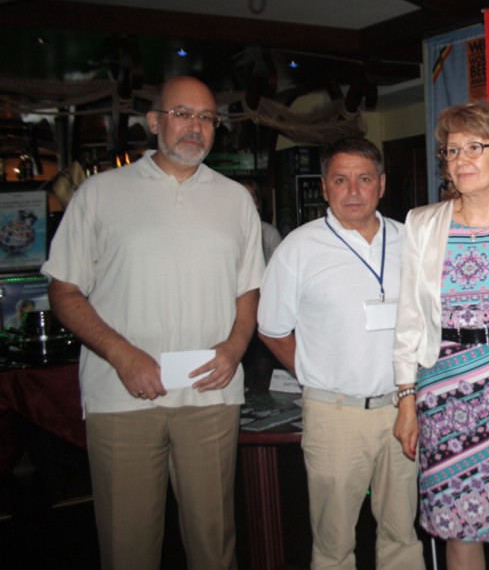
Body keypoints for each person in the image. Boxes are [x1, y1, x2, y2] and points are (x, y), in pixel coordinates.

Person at [42, 75, 264, 570]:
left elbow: (248, 289)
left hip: (210, 394)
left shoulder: (236, 200)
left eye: (206, 118)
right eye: (183, 114)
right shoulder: (100, 193)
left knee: (214, 545)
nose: (195, 127)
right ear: (153, 121)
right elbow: (64, 291)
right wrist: (123, 356)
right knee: (128, 547)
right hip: (123, 396)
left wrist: (234, 347)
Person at [392, 101, 489, 570]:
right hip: (444, 390)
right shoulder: (422, 223)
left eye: (474, 147)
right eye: (452, 150)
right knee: (455, 527)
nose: (459, 159)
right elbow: (410, 318)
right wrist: (405, 398)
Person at [257, 137, 424, 570]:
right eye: (340, 180)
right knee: (333, 544)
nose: (353, 191)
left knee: (402, 535)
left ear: (381, 184)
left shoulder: (411, 240)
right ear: (324, 186)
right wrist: (315, 373)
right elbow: (272, 329)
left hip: (403, 410)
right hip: (334, 415)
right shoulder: (299, 248)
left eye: (364, 179)